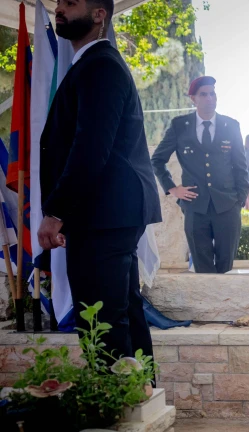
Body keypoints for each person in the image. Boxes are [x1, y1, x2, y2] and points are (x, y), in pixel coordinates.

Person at [38, 0, 161, 359]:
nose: (59, 9)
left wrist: (56, 211)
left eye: (70, 3)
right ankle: (140, 398)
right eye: (59, 3)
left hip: (104, 214)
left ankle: (116, 408)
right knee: (121, 311)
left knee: (101, 319)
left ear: (98, 15)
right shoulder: (91, 65)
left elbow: (91, 148)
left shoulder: (100, 66)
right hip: (109, 212)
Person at [151, 76, 249, 274]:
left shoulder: (231, 126)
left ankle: (222, 305)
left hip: (227, 205)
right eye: (203, 94)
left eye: (212, 93)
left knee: (225, 267)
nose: (210, 98)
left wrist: (239, 199)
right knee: (202, 268)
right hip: (195, 206)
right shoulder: (180, 126)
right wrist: (172, 188)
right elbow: (157, 160)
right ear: (193, 99)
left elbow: (241, 167)